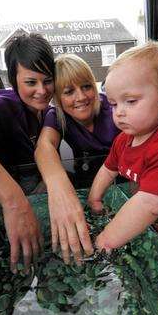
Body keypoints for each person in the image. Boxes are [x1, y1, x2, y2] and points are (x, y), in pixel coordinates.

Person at [0, 33, 55, 272]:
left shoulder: (45, 113)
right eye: (30, 82)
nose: (42, 91)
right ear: (13, 81)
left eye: (48, 80)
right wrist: (14, 201)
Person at [88, 41, 158, 255]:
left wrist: (104, 240)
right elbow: (107, 169)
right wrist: (94, 199)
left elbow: (150, 203)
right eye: (113, 104)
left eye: (130, 101)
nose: (119, 112)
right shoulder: (123, 140)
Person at [35, 53, 120, 264]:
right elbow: (44, 147)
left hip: (121, 183)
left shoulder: (114, 108)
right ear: (57, 98)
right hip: (86, 183)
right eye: (69, 91)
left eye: (86, 86)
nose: (81, 97)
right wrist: (57, 187)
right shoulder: (56, 116)